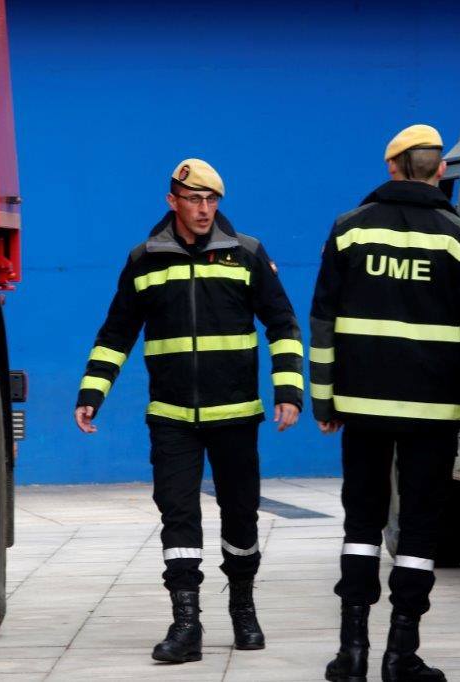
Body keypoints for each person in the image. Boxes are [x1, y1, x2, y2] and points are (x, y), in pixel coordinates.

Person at [74, 159, 304, 664]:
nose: (204, 210)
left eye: (212, 200)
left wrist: (289, 390)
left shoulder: (245, 254)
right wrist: (92, 393)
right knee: (178, 516)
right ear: (172, 200)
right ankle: (186, 624)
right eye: (195, 200)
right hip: (171, 417)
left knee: (240, 517)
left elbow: (282, 323)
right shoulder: (145, 260)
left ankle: (243, 609)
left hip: (237, 415)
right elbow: (116, 334)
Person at [310, 125, 460, 682]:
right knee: (418, 532)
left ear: (392, 167)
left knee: (362, 523)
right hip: (432, 415)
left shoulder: (347, 232)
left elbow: (323, 322)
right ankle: (401, 655)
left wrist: (325, 400)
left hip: (362, 408)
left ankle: (352, 653)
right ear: (439, 171)